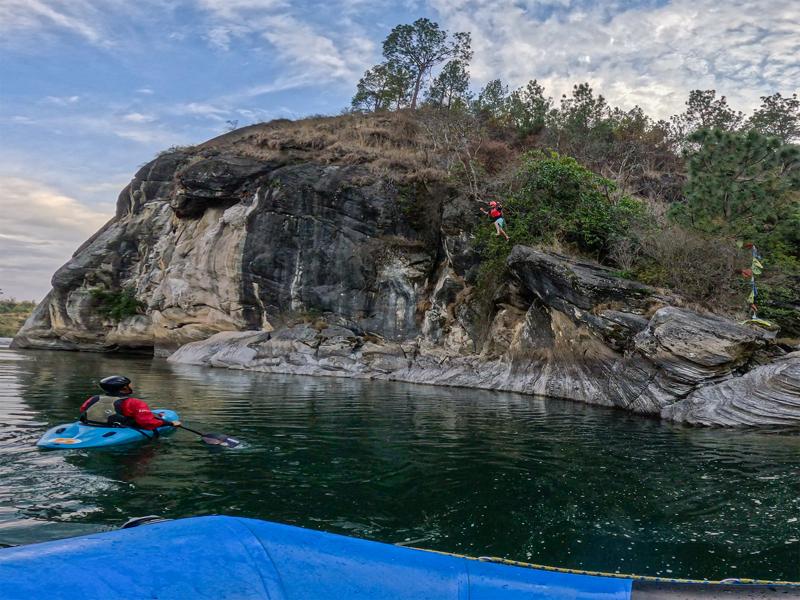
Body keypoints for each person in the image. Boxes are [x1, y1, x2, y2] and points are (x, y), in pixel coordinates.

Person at [79, 375, 180, 430]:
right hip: (116, 427)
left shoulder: (93, 398)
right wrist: (170, 423)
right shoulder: (134, 403)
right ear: (124, 388)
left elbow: (83, 409)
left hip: (90, 424)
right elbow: (147, 423)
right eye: (128, 385)